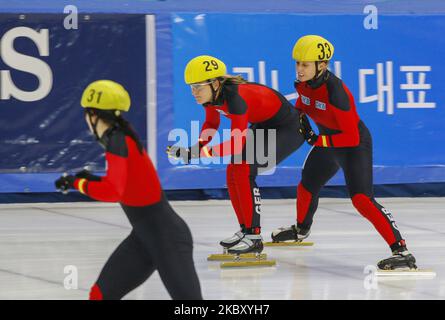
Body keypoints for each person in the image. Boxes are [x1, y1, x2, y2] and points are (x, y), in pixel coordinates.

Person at [271, 35, 417, 270]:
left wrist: (318, 139)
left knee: (361, 199)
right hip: (328, 142)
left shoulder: (336, 92)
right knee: (307, 185)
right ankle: (301, 229)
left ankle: (401, 251)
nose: (299, 69)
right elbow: (304, 103)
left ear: (323, 65)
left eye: (305, 64)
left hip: (353, 146)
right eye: (297, 63)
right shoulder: (303, 83)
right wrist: (296, 116)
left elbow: (351, 137)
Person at [55, 80, 202, 299]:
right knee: (100, 295)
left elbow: (113, 191)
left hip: (168, 240)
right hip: (143, 239)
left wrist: (79, 184)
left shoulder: (118, 141)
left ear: (93, 115)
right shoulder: (122, 135)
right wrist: (86, 179)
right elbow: (127, 185)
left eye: (86, 114)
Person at [167, 55, 306, 256]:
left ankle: (254, 236)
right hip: (265, 125)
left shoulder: (235, 98)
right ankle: (246, 230)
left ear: (215, 83)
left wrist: (200, 153)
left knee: (244, 169)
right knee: (233, 169)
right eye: (191, 87)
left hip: (289, 129)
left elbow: (236, 141)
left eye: (198, 86)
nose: (194, 92)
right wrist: (193, 149)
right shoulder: (211, 97)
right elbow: (211, 125)